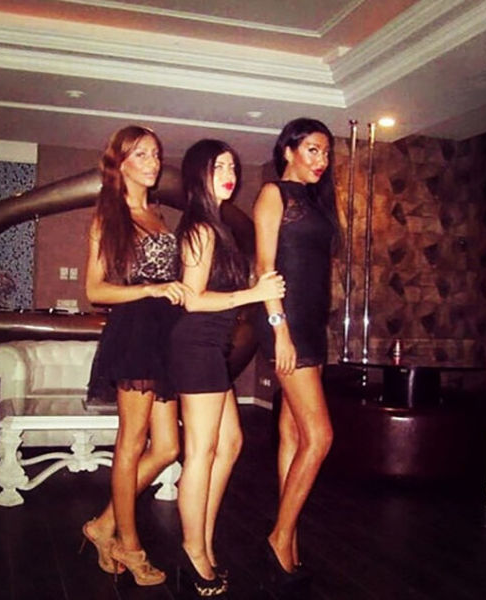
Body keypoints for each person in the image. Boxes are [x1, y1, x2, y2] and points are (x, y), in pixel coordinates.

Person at [168, 139, 286, 597]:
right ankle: (192, 551)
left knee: (231, 443)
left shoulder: (219, 227)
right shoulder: (200, 228)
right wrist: (253, 294)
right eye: (218, 167)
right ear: (199, 173)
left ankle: (203, 539)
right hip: (196, 345)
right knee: (200, 451)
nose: (229, 174)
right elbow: (192, 299)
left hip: (212, 347)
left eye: (232, 166)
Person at [79, 125, 191, 586]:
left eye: (156, 154)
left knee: (167, 448)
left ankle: (103, 525)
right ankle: (130, 544)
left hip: (164, 335)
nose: (153, 162)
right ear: (120, 162)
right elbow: (94, 290)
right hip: (135, 332)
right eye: (141, 154)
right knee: (131, 441)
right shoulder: (110, 216)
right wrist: (150, 289)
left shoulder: (158, 214)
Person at [253, 118, 339, 583]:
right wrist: (279, 331)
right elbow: (265, 270)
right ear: (288, 151)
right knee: (320, 436)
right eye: (312, 150)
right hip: (285, 325)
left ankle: (289, 536)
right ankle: (280, 536)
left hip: (312, 325)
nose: (321, 160)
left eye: (325, 152)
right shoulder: (274, 194)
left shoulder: (317, 201)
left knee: (292, 432)